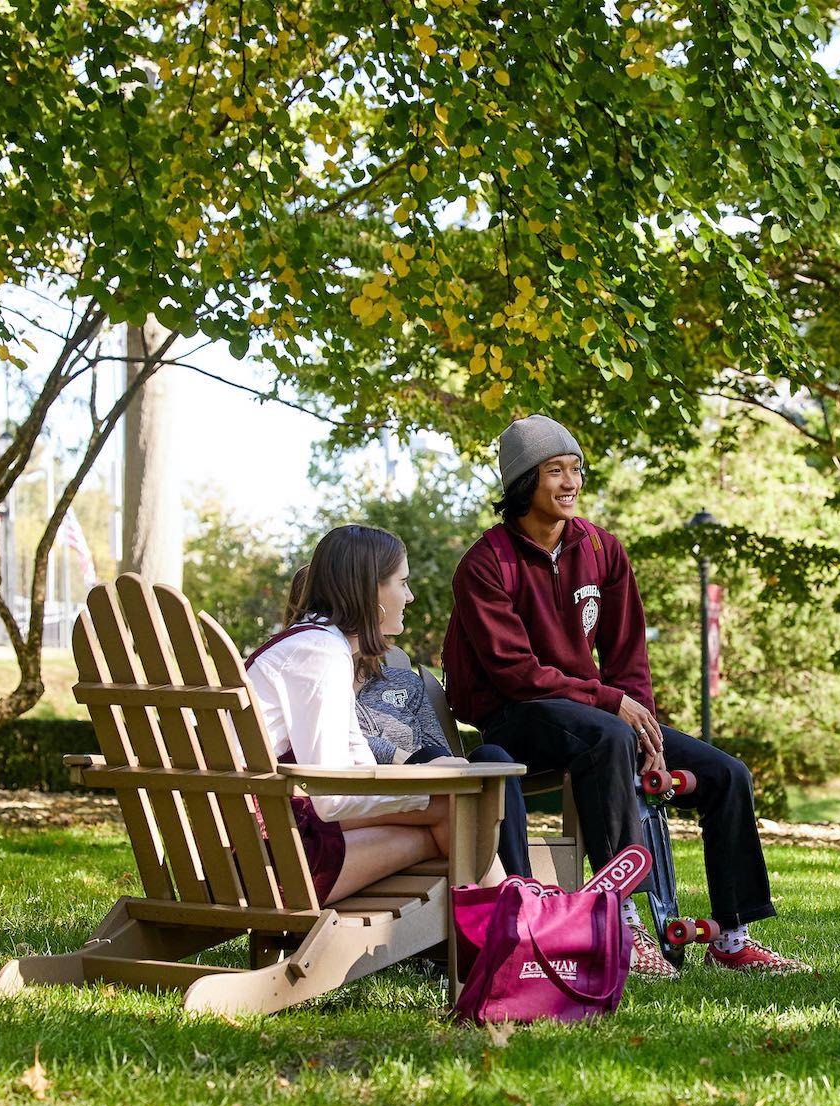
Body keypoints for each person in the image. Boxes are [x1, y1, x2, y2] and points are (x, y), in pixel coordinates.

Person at [441, 414, 806, 978]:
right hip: (516, 719)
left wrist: (649, 733)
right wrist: (610, 705)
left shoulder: (601, 549)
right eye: (554, 471)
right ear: (523, 483)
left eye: (576, 469)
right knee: (607, 734)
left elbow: (628, 656)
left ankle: (733, 938)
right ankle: (623, 924)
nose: (571, 483)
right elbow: (514, 672)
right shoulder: (486, 563)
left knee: (727, 774)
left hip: (593, 716)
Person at [243, 525, 460, 904]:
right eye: (402, 583)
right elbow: (333, 798)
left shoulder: (314, 642)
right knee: (452, 809)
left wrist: (428, 783)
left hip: (260, 840)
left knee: (448, 805)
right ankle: (508, 924)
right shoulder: (319, 652)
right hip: (270, 863)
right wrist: (425, 794)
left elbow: (357, 762)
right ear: (370, 589)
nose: (409, 596)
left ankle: (506, 918)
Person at [343, 573, 532, 880]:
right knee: (432, 759)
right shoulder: (322, 684)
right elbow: (348, 744)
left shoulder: (403, 682)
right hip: (382, 793)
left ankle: (521, 881)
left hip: (430, 782)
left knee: (493, 757)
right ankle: (512, 892)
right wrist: (403, 758)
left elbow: (438, 749)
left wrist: (430, 764)